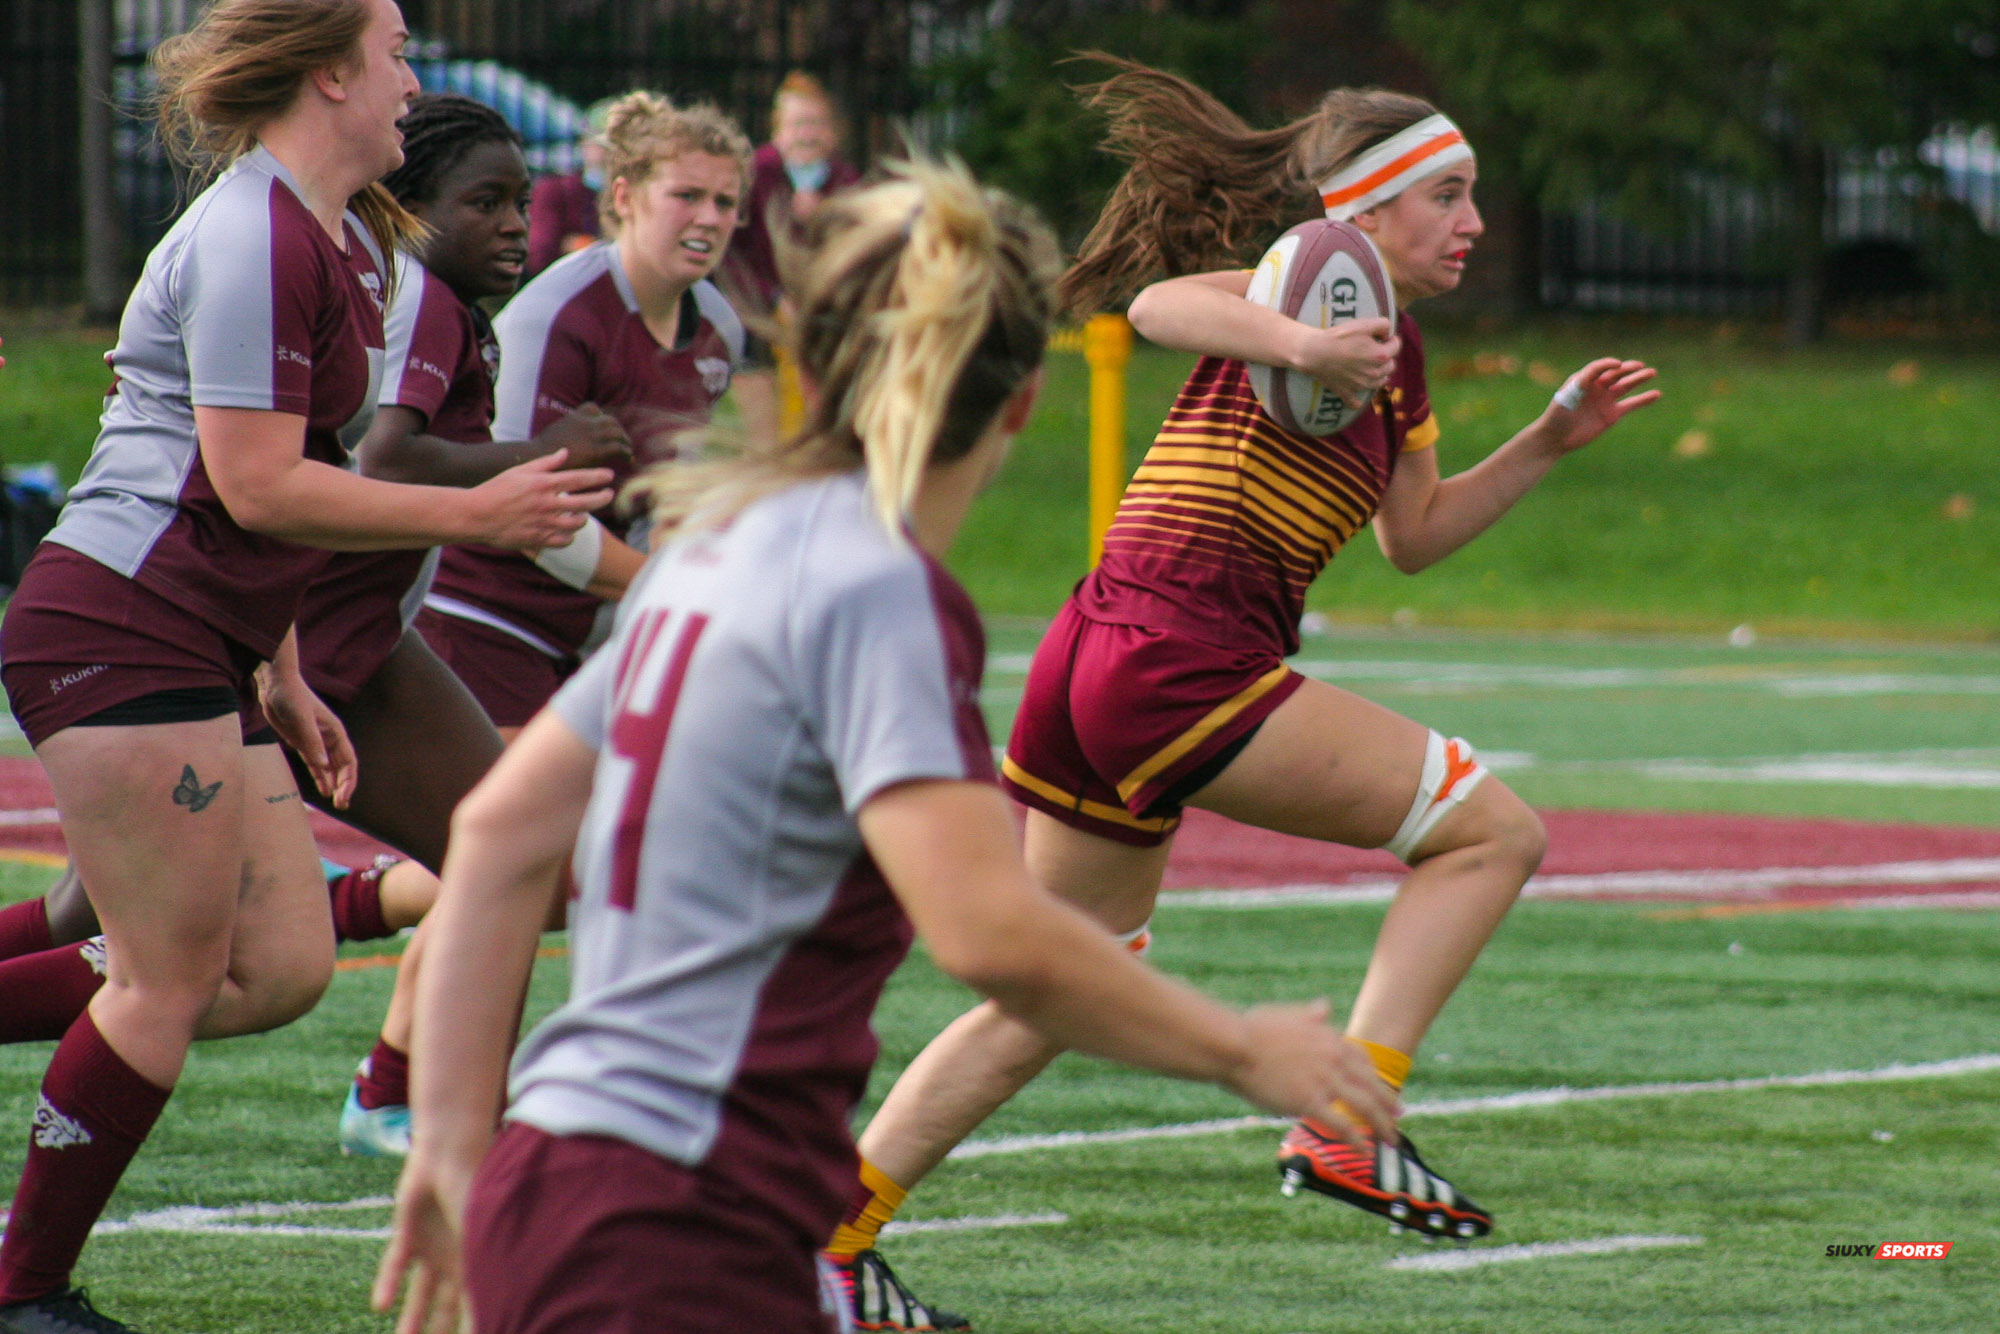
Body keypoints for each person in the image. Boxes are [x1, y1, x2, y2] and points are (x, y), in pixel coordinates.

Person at [370, 157, 1399, 1334]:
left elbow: (498, 833)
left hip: (551, 1177)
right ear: (1018, 401)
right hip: (679, 1221)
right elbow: (989, 932)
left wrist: (447, 1144)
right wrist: (1242, 1047)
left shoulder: (716, 545)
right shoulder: (879, 589)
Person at [826, 59, 1661, 1327]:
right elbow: (1160, 304)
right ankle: (1343, 1117)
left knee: (1057, 982)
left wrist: (1544, 441)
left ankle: (833, 1238)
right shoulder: (1293, 278)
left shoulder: (1399, 350)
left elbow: (1415, 536)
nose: (1474, 222)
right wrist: (1295, 336)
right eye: (1447, 194)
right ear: (1363, 214)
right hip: (1178, 652)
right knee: (1491, 833)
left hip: (1103, 657)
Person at [0, 4, 613, 1329]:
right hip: (120, 617)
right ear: (331, 72)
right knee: (162, 977)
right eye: (395, 51)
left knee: (271, 966)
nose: (412, 78)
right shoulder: (253, 232)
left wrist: (281, 666)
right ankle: (25, 1292)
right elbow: (257, 483)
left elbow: (274, 482)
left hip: (201, 631)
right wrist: (480, 512)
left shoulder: (332, 235)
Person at [416, 89, 748, 738]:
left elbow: (666, 494)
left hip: (584, 625)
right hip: (481, 614)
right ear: (624, 198)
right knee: (518, 836)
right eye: (686, 195)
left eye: (726, 202)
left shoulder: (719, 328)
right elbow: (527, 510)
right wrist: (671, 589)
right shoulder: (561, 313)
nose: (709, 217)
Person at [717, 71, 862, 445]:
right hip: (757, 317)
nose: (807, 134)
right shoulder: (754, 175)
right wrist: (775, 298)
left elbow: (861, 252)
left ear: (832, 132)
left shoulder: (847, 183)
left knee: (817, 431)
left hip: (823, 316)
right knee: (767, 440)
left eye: (816, 123)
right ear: (778, 130)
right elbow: (729, 251)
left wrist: (824, 219)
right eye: (798, 124)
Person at [525, 96, 617, 277]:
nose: (609, 155)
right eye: (601, 146)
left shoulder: (639, 194)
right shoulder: (556, 191)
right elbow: (540, 256)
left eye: (617, 148)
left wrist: (581, 246)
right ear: (584, 144)